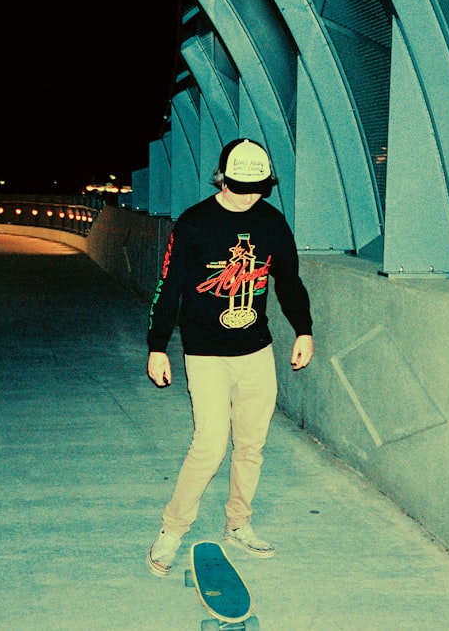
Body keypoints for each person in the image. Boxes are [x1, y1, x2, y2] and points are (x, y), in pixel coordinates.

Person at [145, 137, 314, 577]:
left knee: (251, 446)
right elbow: (169, 287)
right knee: (210, 443)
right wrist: (157, 345)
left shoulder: (272, 222)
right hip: (205, 354)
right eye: (239, 188)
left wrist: (304, 330)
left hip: (256, 351)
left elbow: (289, 281)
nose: (248, 197)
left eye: (256, 189)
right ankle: (172, 530)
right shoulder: (195, 223)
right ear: (223, 179)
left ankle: (238, 523)